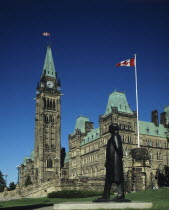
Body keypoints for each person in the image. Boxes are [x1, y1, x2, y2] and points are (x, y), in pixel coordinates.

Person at [93, 123, 126, 202]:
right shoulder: (113, 137)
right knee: (112, 179)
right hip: (112, 162)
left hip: (114, 162)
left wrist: (119, 158)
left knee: (115, 179)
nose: (108, 130)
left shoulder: (115, 136)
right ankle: (110, 195)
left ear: (112, 129)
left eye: (109, 128)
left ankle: (115, 195)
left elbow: (118, 148)